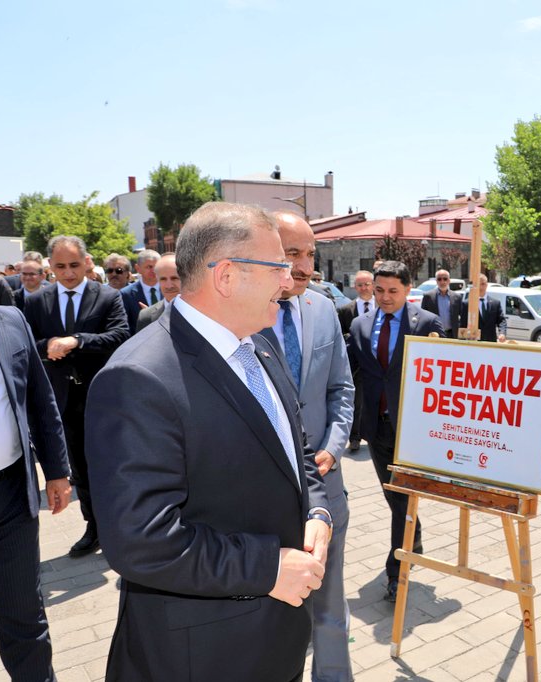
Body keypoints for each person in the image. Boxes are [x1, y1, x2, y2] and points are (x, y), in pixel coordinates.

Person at [84, 202, 332, 682]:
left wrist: (316, 510)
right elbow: (141, 541)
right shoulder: (139, 378)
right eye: (279, 266)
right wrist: (267, 567)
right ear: (227, 276)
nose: (290, 281)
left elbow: (295, 448)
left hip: (276, 635)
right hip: (204, 652)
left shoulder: (260, 342)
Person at [258, 212, 355, 682]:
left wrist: (334, 448)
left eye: (309, 254)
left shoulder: (322, 309)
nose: (303, 266)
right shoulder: (241, 318)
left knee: (331, 610)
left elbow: (341, 389)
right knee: (271, 617)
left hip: (327, 487)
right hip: (264, 500)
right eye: (291, 253)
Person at [22, 235, 130, 557]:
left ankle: (123, 526)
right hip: (63, 400)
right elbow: (29, 342)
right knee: (80, 470)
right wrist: (50, 345)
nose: (68, 273)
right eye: (59, 266)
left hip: (103, 399)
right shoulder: (37, 301)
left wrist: (78, 341)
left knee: (113, 465)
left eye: (73, 265)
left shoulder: (108, 296)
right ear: (49, 267)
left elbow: (120, 335)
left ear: (86, 262)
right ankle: (93, 527)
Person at [349, 261, 443, 602]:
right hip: (376, 427)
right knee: (393, 496)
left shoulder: (427, 323)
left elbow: (446, 373)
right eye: (379, 290)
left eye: (393, 291)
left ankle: (396, 571)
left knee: (401, 499)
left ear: (408, 289)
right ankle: (412, 535)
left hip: (413, 429)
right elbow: (348, 373)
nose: (385, 298)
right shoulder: (359, 325)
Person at [0, 303, 72, 682]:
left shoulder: (10, 320)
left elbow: (40, 399)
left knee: (25, 616)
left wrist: (56, 471)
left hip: (10, 498)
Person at [338, 269, 376, 452]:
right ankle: (355, 438)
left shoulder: (382, 306)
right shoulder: (346, 310)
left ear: (373, 285)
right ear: (355, 287)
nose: (363, 288)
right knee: (357, 402)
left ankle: (376, 435)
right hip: (357, 365)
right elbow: (340, 335)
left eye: (367, 284)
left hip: (380, 363)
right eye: (360, 285)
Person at [135, 253, 181, 332]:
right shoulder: (145, 317)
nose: (169, 286)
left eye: (174, 278)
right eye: (163, 279)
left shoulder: (203, 311)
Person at [120, 249, 161, 333]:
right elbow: (126, 327)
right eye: (149, 267)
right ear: (138, 268)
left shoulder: (172, 290)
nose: (153, 270)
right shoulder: (126, 294)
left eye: (156, 266)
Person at [460, 273, 507, 342]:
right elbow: (463, 324)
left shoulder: (495, 303)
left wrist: (502, 333)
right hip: (474, 343)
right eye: (478, 284)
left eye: (483, 284)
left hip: (490, 343)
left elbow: (501, 320)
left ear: (487, 285)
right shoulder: (467, 304)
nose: (480, 287)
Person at [420, 268, 461, 338]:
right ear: (436, 281)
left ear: (449, 280)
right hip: (434, 334)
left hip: (452, 334)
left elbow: (462, 317)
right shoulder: (428, 297)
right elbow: (423, 317)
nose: (442, 282)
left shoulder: (457, 297)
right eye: (439, 279)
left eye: (445, 279)